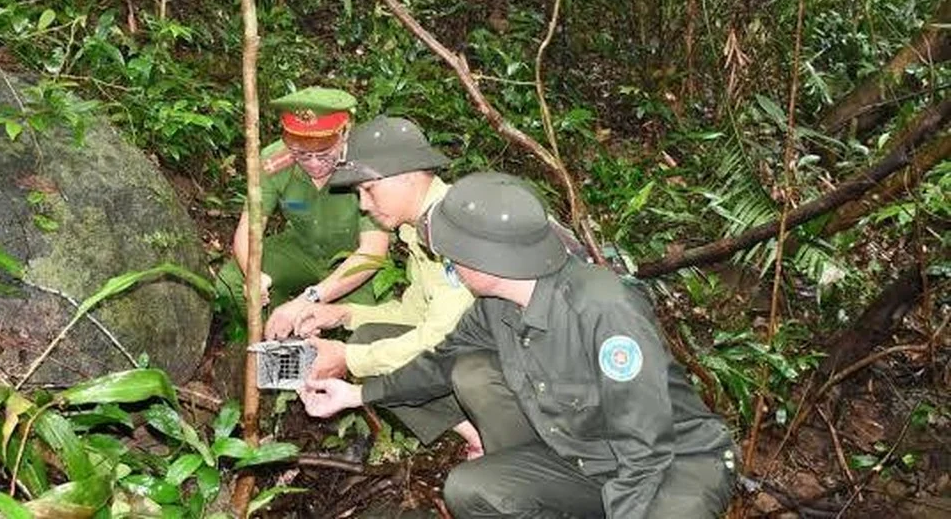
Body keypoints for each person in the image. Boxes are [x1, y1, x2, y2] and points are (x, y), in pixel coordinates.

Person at [300, 172, 738, 518]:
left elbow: (646, 450)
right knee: (471, 490)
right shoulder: (496, 306)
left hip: (676, 463)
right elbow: (438, 363)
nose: (448, 264)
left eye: (452, 255)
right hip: (589, 458)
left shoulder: (604, 309)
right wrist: (355, 394)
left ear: (486, 259)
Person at [284, 115, 483, 455]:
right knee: (370, 340)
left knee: (372, 355)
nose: (363, 204)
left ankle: (496, 435)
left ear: (405, 176)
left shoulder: (453, 230)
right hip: (477, 350)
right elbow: (414, 312)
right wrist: (340, 314)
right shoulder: (420, 228)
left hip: (518, 363)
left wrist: (348, 358)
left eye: (369, 189)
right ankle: (477, 435)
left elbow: (439, 339)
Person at [214, 87, 390, 338]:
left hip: (352, 261)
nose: (314, 163)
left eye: (324, 153)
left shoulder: (367, 164)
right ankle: (283, 343)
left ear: (344, 132)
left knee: (371, 332)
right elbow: (248, 231)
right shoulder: (273, 161)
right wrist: (255, 276)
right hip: (301, 249)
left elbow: (373, 253)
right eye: (302, 154)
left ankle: (325, 341)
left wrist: (311, 298)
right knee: (231, 282)